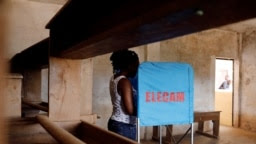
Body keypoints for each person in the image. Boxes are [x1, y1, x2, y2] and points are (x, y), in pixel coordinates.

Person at [108, 49, 139, 140]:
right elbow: (129, 110)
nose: (137, 68)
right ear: (129, 66)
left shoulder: (114, 78)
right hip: (123, 126)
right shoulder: (124, 82)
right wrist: (145, 112)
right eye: (136, 65)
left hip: (116, 122)